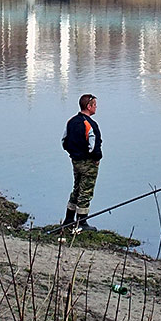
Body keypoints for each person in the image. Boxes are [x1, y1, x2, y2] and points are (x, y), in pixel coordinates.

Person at [61, 94, 102, 232]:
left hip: (75, 161)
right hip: (88, 163)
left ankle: (68, 219)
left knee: (77, 188)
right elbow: (94, 144)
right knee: (86, 190)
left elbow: (64, 141)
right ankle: (82, 223)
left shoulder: (71, 121)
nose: (96, 107)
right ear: (88, 106)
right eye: (95, 105)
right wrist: (96, 158)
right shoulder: (90, 124)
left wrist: (73, 154)